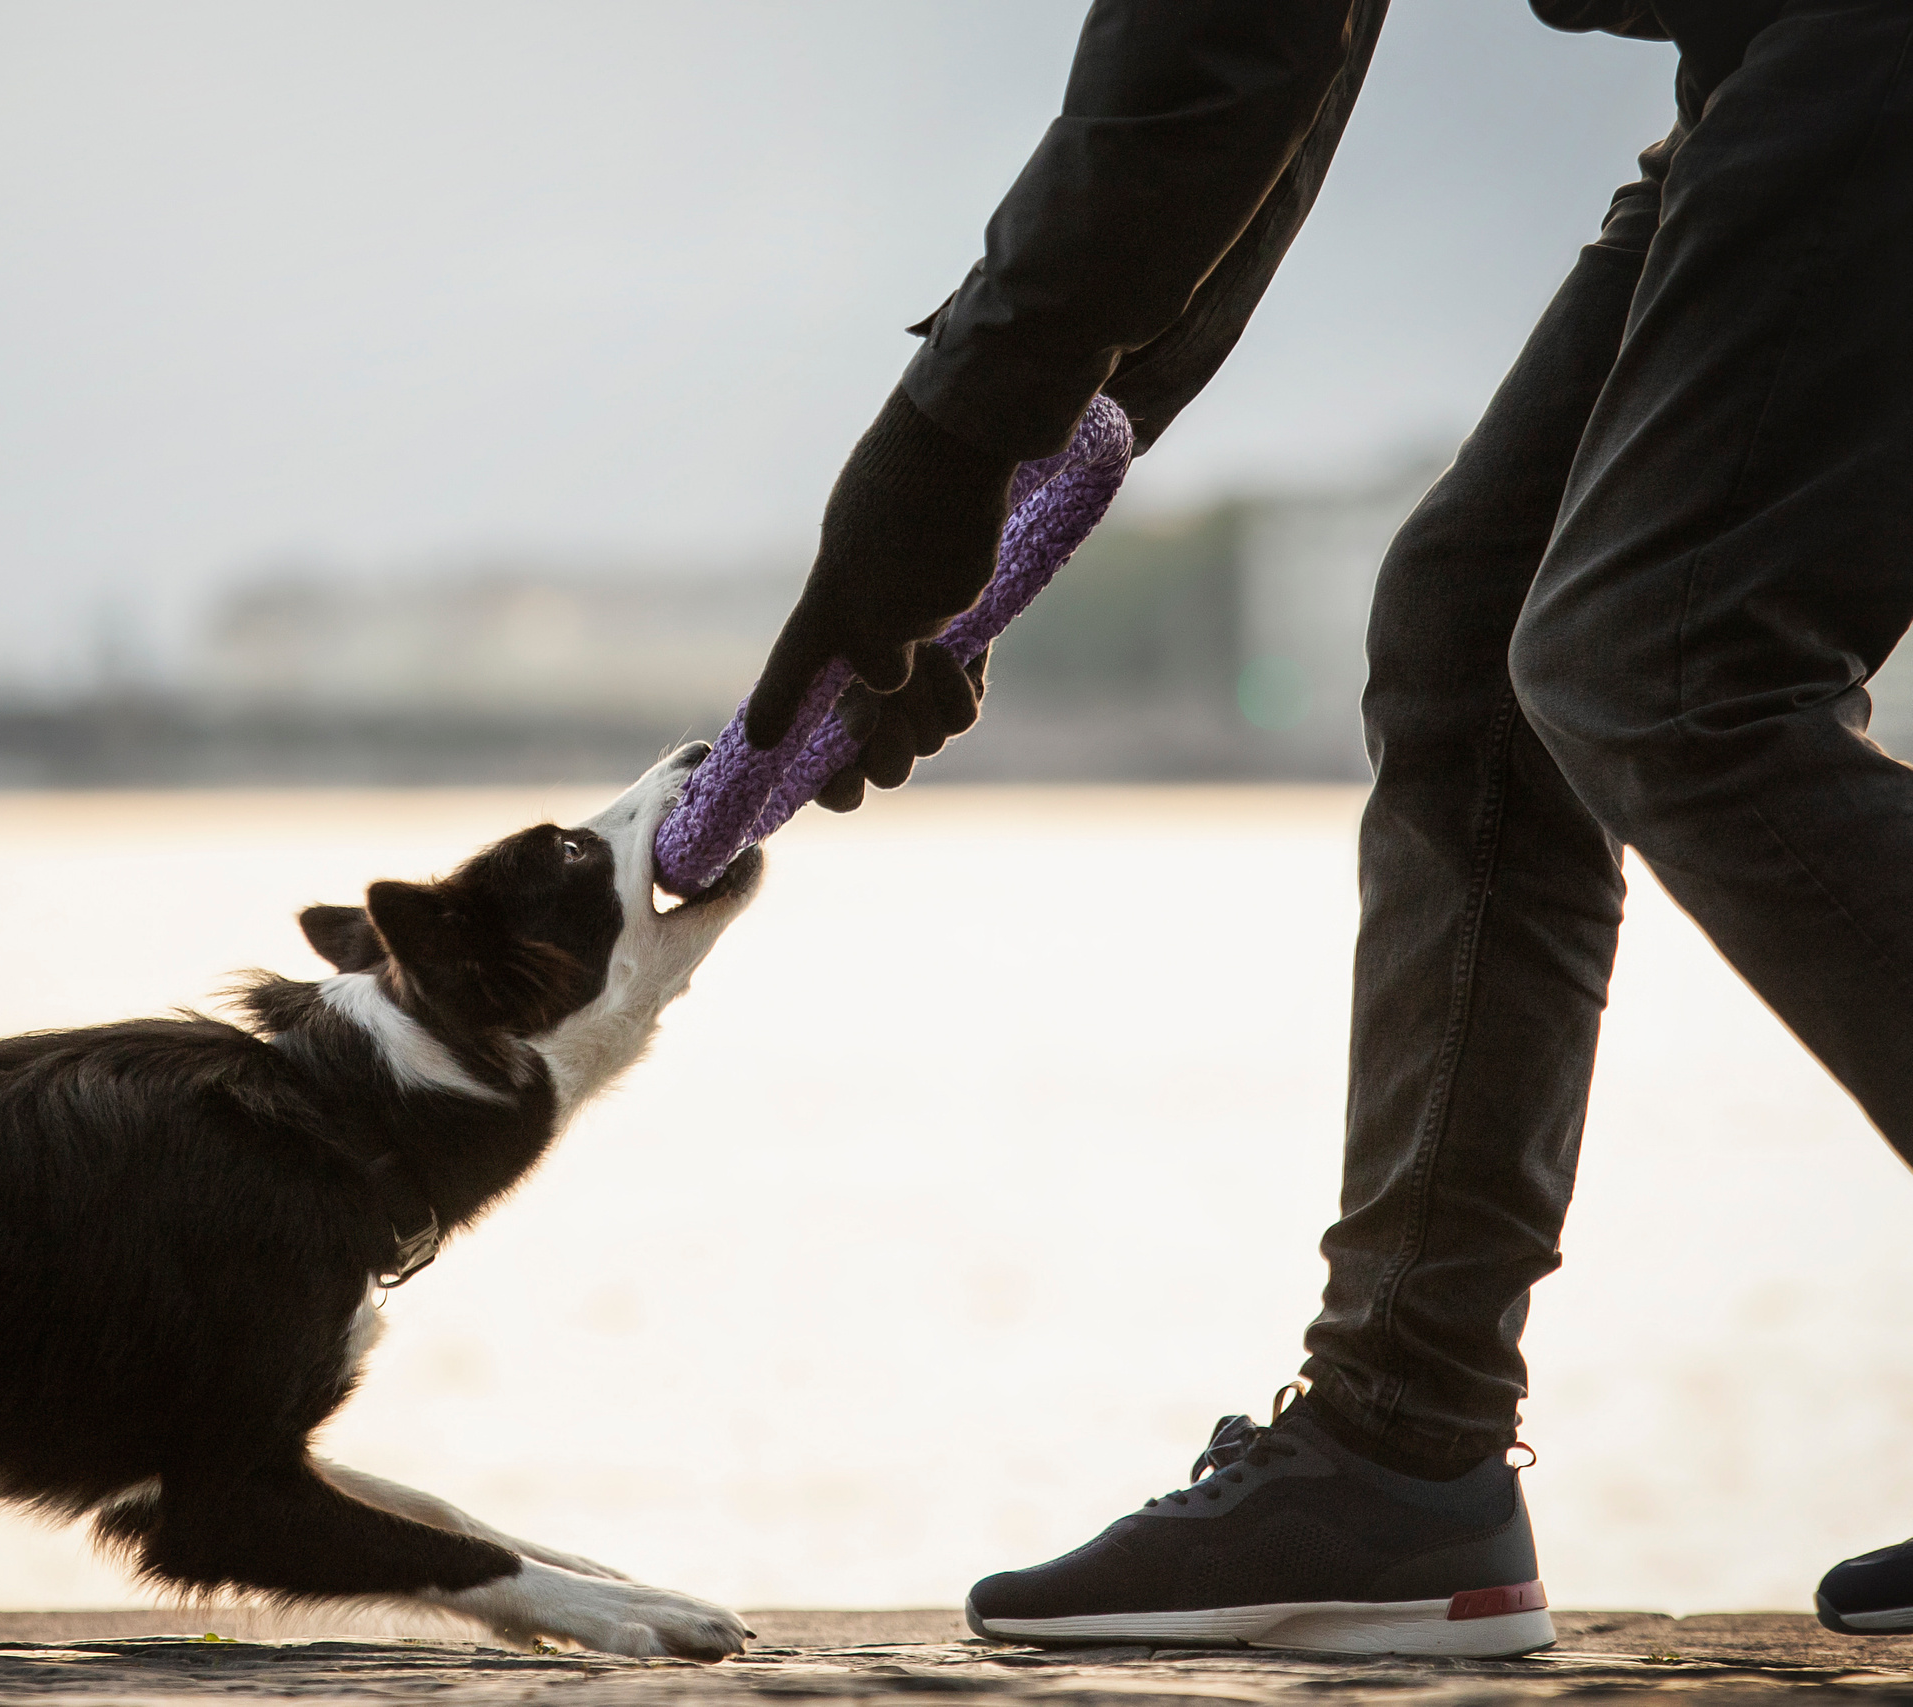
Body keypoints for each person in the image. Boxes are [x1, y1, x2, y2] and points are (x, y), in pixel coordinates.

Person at [750, 0, 1913, 1656]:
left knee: (1661, 665)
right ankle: (1405, 1450)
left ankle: (1403, 1437)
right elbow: (1278, 53)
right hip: (1780, 54)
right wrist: (1012, 460)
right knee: (1480, 646)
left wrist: (953, 441)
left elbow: (1235, 41)